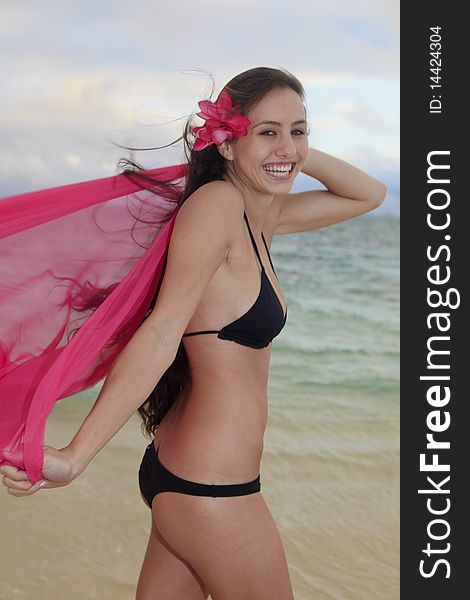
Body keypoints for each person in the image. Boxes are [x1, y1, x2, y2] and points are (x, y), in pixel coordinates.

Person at [0, 66, 386, 599]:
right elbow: (162, 333)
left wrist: (282, 150)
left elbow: (368, 195)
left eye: (300, 128)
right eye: (266, 129)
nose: (289, 145)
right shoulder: (218, 206)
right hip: (213, 489)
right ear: (226, 144)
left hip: (188, 476)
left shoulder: (258, 217)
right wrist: (74, 455)